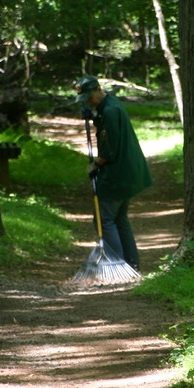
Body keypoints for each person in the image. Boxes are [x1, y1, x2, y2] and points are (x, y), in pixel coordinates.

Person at [74, 75, 153, 271]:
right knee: (119, 218)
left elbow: (110, 149)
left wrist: (96, 165)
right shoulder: (110, 105)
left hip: (117, 173)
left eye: (89, 98)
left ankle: (117, 265)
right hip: (128, 172)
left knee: (104, 218)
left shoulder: (109, 110)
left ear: (98, 90)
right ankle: (131, 263)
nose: (89, 102)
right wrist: (93, 118)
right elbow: (107, 128)